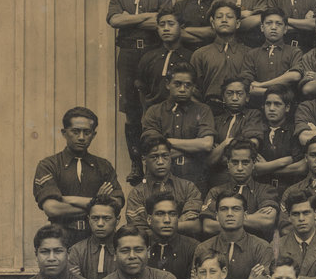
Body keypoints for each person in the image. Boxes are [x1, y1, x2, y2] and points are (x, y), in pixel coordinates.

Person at [106, 0, 173, 183]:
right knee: (131, 109)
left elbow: (161, 22)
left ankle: (159, 160)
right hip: (128, 55)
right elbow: (115, 21)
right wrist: (147, 17)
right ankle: (136, 163)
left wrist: (131, 18)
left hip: (153, 53)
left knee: (156, 104)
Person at [33, 107, 125, 247]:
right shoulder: (49, 165)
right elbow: (52, 208)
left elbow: (116, 203)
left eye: (87, 132)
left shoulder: (103, 166)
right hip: (62, 238)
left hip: (96, 238)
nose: (81, 137)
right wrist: (96, 203)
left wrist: (68, 199)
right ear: (64, 133)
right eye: (75, 132)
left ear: (93, 135)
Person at [141, 62, 216, 193]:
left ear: (193, 87)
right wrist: (193, 148)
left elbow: (207, 144)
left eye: (188, 85)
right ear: (167, 84)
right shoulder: (154, 111)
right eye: (177, 84)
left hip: (194, 178)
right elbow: (154, 147)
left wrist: (167, 142)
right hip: (160, 179)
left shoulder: (203, 110)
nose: (182, 89)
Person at [194, 190, 273, 279]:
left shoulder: (261, 247)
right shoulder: (203, 248)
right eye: (224, 209)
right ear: (217, 216)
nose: (229, 214)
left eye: (236, 209)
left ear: (245, 215)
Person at [125, 135, 202, 237]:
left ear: (170, 157)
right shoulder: (137, 194)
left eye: (165, 156)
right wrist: (178, 221)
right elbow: (139, 232)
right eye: (154, 157)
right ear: (144, 160)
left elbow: (194, 226)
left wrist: (155, 225)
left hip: (182, 244)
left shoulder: (188, 187)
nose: (160, 162)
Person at [201, 140, 279, 239]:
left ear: (253, 164)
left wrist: (226, 219)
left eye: (245, 162)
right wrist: (251, 219)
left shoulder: (265, 190)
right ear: (228, 163)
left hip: (254, 247)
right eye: (235, 162)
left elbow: (267, 221)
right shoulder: (216, 192)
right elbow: (208, 226)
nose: (240, 168)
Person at [189, 1, 250, 110]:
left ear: (237, 23)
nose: (224, 20)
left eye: (229, 17)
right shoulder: (200, 55)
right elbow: (193, 90)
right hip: (210, 110)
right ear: (213, 23)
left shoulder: (249, 54)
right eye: (219, 17)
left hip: (243, 111)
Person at [206, 77, 265, 182]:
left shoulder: (253, 115)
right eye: (229, 93)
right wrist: (226, 143)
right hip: (218, 177)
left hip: (243, 175)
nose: (234, 98)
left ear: (247, 97)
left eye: (239, 94)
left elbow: (251, 144)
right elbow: (209, 159)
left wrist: (221, 147)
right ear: (223, 98)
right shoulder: (216, 120)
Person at [243, 7, 305, 107]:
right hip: (258, 106)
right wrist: (277, 93)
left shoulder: (294, 51)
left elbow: (295, 76)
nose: (273, 27)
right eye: (269, 23)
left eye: (279, 24)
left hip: (286, 107)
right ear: (262, 27)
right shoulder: (252, 54)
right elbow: (248, 87)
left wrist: (261, 85)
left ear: (285, 29)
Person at [135, 7, 193, 111]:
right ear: (157, 28)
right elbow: (142, 89)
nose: (166, 28)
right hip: (155, 114)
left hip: (184, 114)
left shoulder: (191, 57)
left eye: (171, 24)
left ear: (181, 27)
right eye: (162, 25)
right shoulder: (149, 57)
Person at [254, 86, 307, 197]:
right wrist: (281, 162)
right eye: (268, 104)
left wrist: (266, 168)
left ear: (287, 107)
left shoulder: (294, 131)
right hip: (261, 190)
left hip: (290, 190)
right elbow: (254, 168)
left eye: (277, 104)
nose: (271, 108)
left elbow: (301, 167)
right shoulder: (257, 130)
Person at [144, 190, 199, 279]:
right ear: (149, 219)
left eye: (172, 214)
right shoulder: (141, 246)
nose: (167, 220)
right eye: (160, 214)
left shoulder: (193, 247)